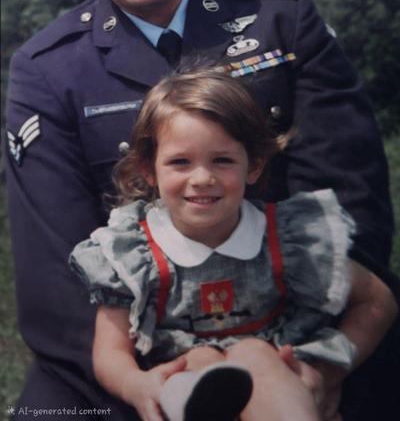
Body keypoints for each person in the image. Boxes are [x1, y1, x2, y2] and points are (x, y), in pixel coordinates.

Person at [4, 0, 399, 421]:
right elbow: (56, 272)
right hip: (132, 354)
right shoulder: (46, 68)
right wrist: (146, 386)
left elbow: (351, 205)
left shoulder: (283, 23)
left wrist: (316, 369)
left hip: (299, 332)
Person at [69, 68, 396, 421]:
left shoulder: (285, 237)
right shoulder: (135, 253)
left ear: (253, 165)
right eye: (180, 162)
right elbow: (110, 352)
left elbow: (377, 300)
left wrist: (326, 374)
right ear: (149, 169)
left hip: (277, 376)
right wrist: (137, 385)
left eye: (222, 160)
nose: (202, 178)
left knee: (256, 355)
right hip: (184, 376)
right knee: (199, 364)